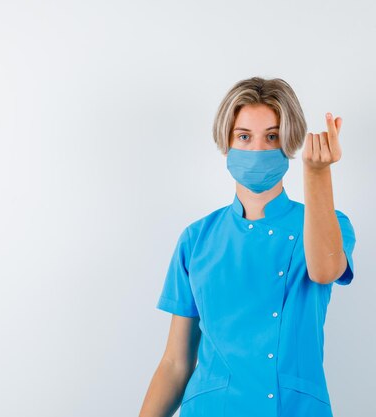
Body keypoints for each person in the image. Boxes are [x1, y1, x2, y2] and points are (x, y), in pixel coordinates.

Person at [139, 76, 356, 417]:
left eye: (272, 137)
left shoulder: (326, 223)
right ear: (225, 143)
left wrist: (317, 174)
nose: (257, 149)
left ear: (290, 143)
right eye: (244, 136)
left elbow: (325, 269)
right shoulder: (197, 239)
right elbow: (175, 363)